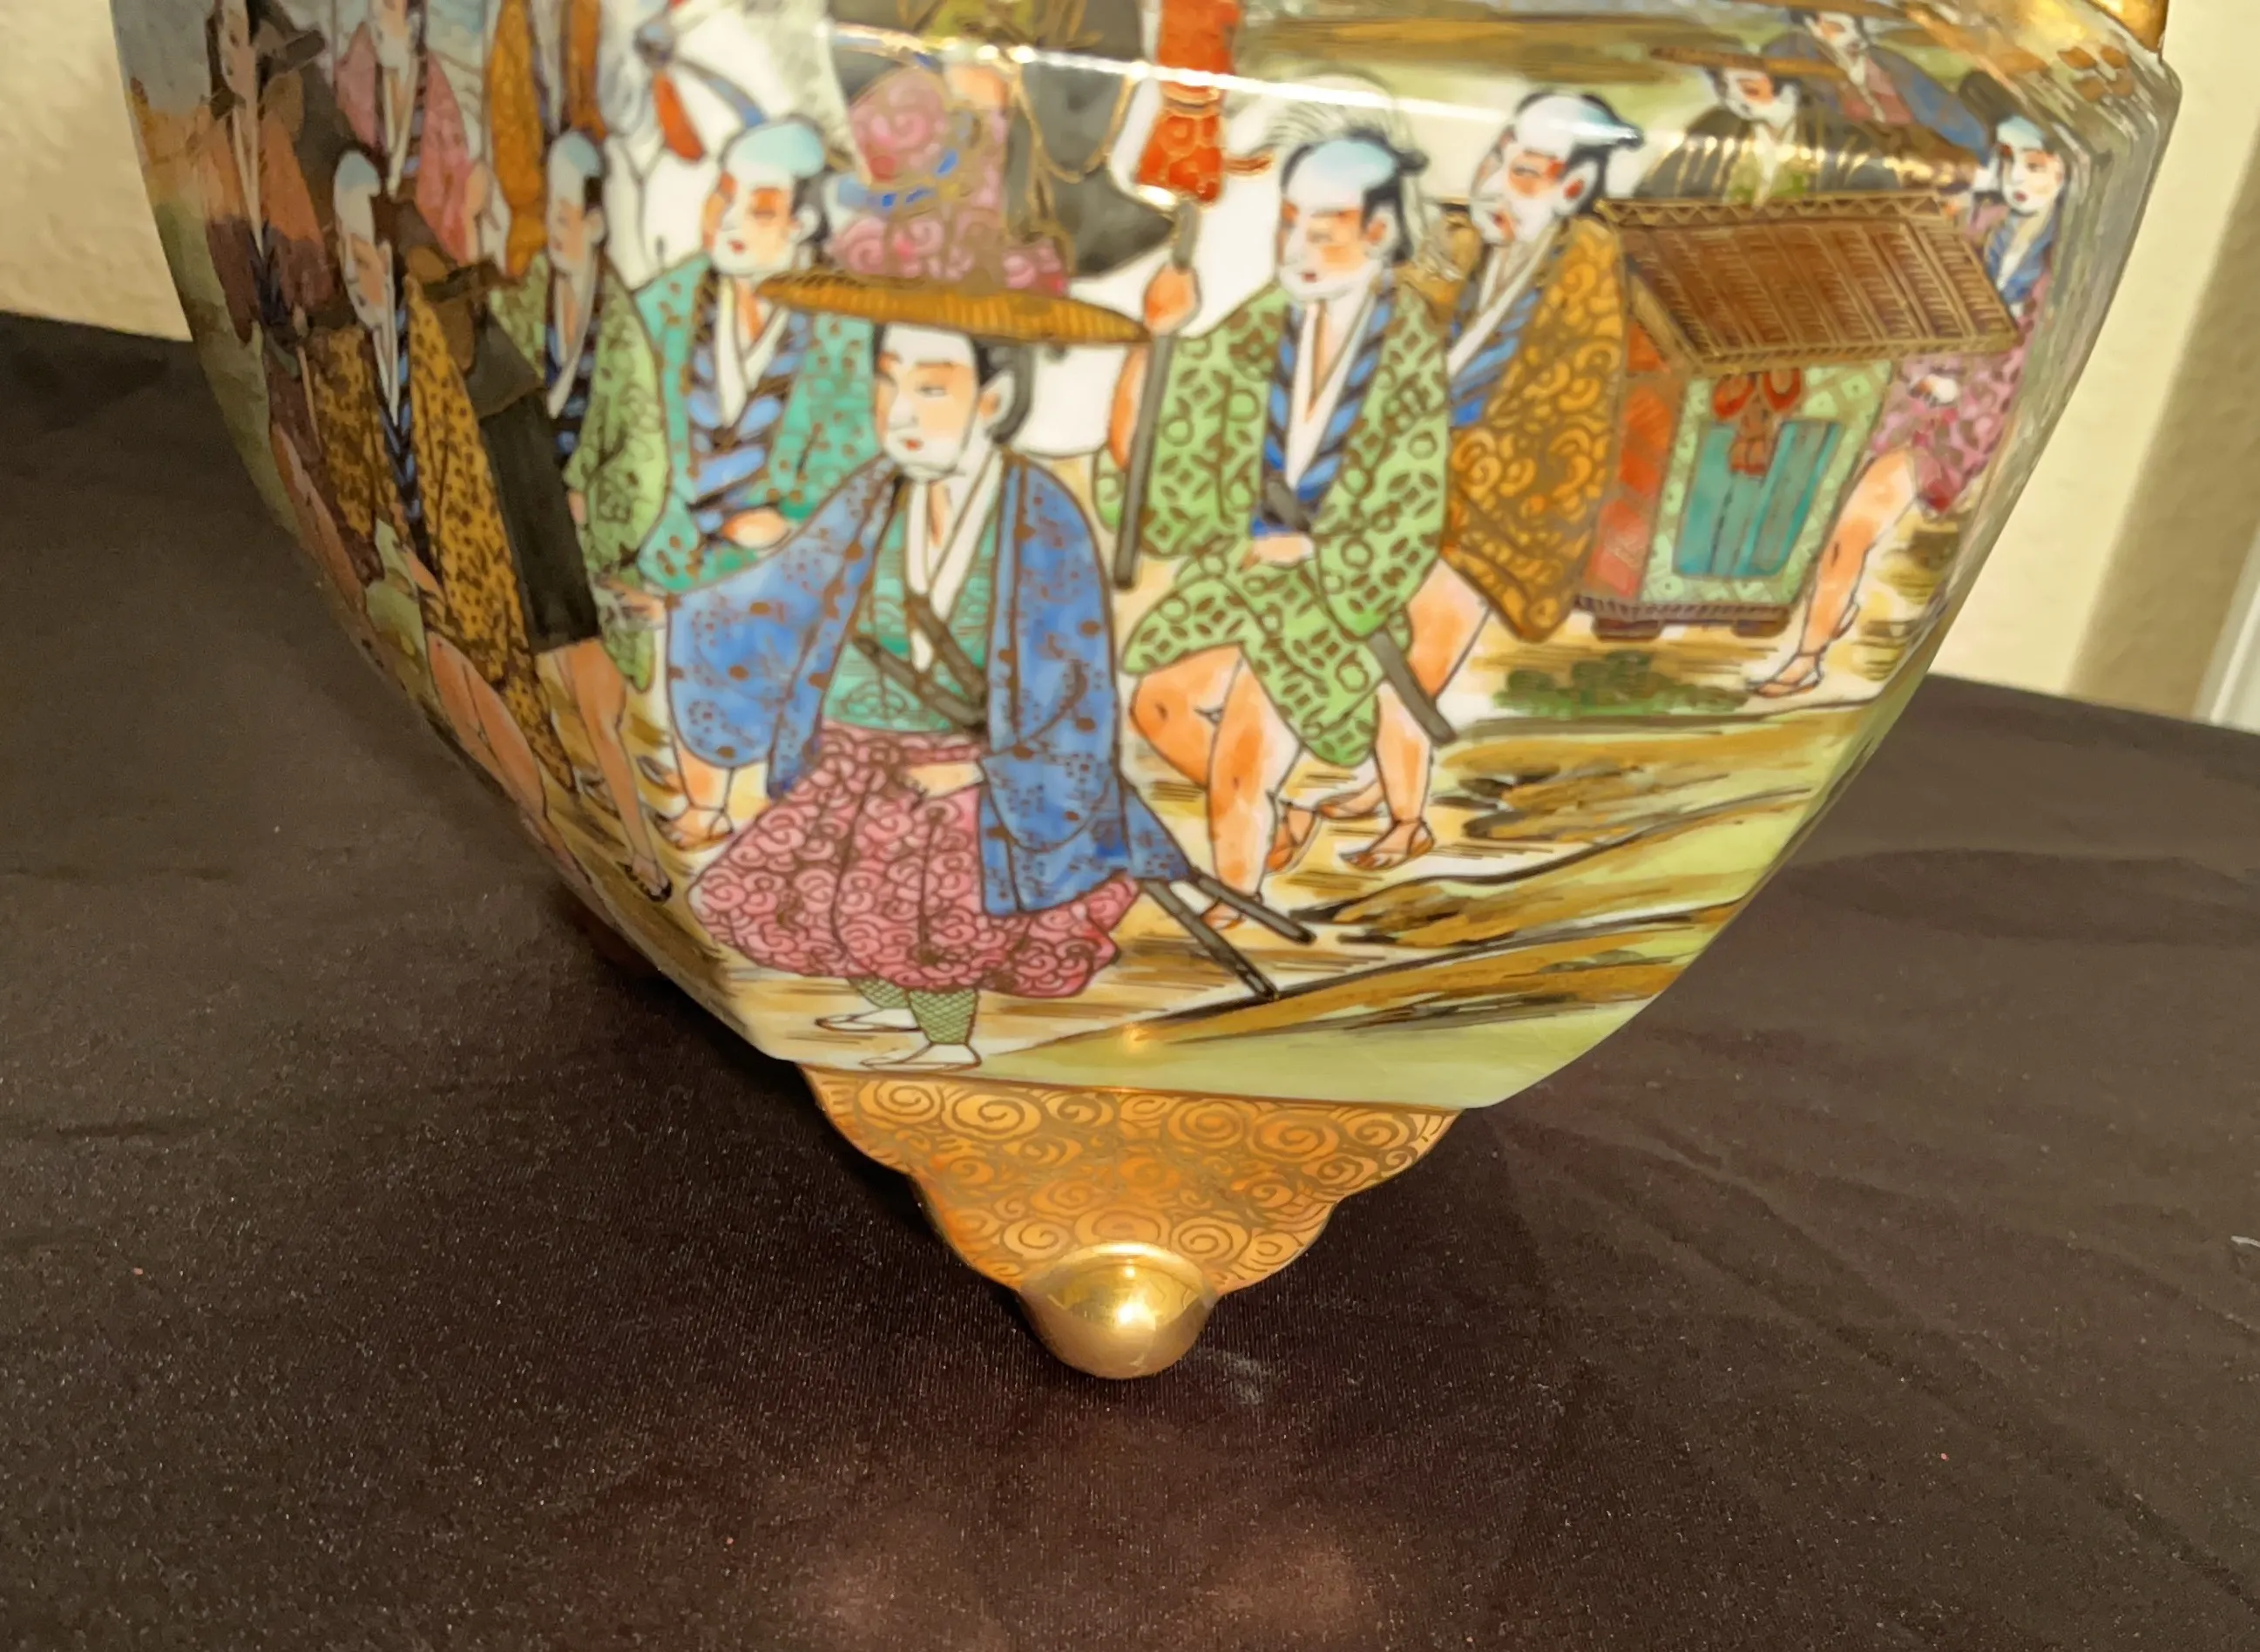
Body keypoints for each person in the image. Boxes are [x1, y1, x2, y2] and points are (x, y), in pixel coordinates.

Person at [667, 315, 1189, 1072]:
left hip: (973, 764)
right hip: (854, 747)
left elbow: (1071, 683)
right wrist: (691, 611)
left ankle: (947, 1039)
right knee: (816, 894)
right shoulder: (875, 491)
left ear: (991, 398)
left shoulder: (1038, 513)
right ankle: (889, 1003)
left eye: (932, 388)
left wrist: (984, 768)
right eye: (888, 383)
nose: (900, 411)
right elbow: (788, 590)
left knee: (931, 905)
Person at [1109, 130, 1448, 914]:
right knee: (1158, 704)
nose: (1295, 250)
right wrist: (1158, 337)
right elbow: (1175, 433)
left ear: (1377, 232)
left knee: (1243, 754)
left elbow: (1413, 501)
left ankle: (1239, 896)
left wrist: (1320, 556)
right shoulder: (1267, 320)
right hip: (1248, 574)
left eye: (1321, 234)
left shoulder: (1407, 348)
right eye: (1287, 224)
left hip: (1334, 595)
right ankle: (1287, 818)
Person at [1316, 92, 1642, 868]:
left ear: (1571, 188)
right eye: (1496, 158)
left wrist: (1444, 456)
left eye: (1524, 173)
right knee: (1370, 638)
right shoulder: (1467, 244)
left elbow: (1563, 403)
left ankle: (1407, 823)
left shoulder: (1586, 261)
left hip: (1500, 508)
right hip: (1418, 484)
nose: (1494, 183)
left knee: (1407, 666)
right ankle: (1375, 783)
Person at [306, 151, 578, 854]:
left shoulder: (438, 359)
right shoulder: (350, 357)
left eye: (366, 255)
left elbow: (469, 520)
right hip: (412, 582)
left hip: (469, 582)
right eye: (345, 252)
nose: (356, 273)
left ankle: (549, 778)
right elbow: (354, 492)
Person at [629, 116, 883, 853]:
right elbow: (631, 423)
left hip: (799, 539)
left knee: (723, 605)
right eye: (724, 197)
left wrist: (792, 519)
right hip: (678, 528)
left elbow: (854, 449)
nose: (731, 222)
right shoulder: (669, 302)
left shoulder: (844, 319)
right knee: (681, 595)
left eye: (760, 208)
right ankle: (700, 780)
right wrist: (669, 534)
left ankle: (723, 796)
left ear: (802, 224)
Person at [1752, 109, 2065, 698]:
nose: (2020, 179)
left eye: (2036, 166)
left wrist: (1957, 388)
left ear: (2060, 174)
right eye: (2010, 164)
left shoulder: (2056, 262)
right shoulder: (1978, 225)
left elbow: (2015, 365)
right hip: (1911, 402)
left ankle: (1808, 659)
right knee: (1839, 522)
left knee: (1855, 525)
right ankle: (1822, 630)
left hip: (1966, 423)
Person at [488, 133, 674, 898]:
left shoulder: (620, 329)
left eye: (569, 216)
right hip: (534, 525)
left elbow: (642, 456)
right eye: (552, 212)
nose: (557, 229)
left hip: (589, 545)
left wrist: (588, 510)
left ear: (597, 223)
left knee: (599, 709)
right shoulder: (529, 297)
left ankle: (643, 854)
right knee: (553, 683)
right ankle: (598, 810)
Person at [196, 0, 362, 609]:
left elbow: (297, 222)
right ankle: (338, 543)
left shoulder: (276, 132)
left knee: (320, 433)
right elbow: (220, 229)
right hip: (268, 315)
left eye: (244, 44)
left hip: (299, 312)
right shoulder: (218, 145)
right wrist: (243, 302)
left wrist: (304, 294)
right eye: (227, 43)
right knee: (288, 431)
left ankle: (351, 544)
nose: (236, 57)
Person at [331, 0, 488, 266]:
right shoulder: (358, 71)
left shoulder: (437, 96)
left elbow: (455, 182)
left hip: (422, 246)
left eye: (388, 6)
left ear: (413, 23)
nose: (376, 15)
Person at [1641, 53, 1898, 204]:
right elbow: (1654, 195)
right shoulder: (1715, 127)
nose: (1733, 98)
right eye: (1724, 87)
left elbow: (1876, 204)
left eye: (1749, 88)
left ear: (1786, 87)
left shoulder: (1844, 140)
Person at [486, 0, 607, 280]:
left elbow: (604, 116)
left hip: (596, 187)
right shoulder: (512, 20)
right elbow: (508, 135)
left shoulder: (591, 10)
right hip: (541, 203)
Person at [1770, 8, 1990, 159]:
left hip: (1919, 154)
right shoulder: (1804, 62)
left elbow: (1937, 103)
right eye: (1838, 27)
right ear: (1813, 27)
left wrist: (1977, 141)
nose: (1853, 36)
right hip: (1858, 163)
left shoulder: (1886, 62)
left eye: (1856, 25)